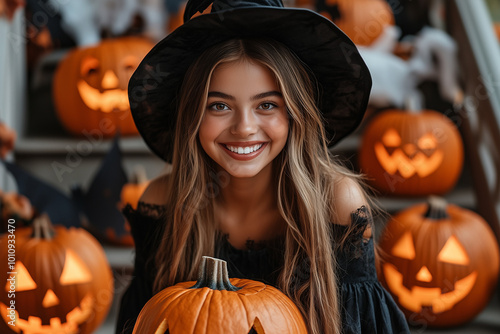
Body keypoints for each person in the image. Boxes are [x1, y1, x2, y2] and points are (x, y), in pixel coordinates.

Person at [116, 0, 411, 333]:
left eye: (267, 104)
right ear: (192, 116)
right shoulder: (164, 202)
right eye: (219, 105)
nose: (244, 127)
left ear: (294, 113)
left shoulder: (336, 204)